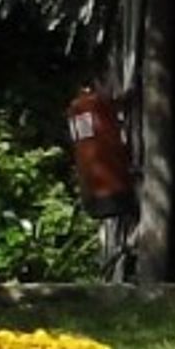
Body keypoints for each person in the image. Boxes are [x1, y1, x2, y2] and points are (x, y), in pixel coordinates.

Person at [63, 75, 140, 287]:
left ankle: (116, 266)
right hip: (112, 184)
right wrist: (134, 87)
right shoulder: (94, 103)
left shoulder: (74, 111)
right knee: (137, 217)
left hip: (92, 188)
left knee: (123, 224)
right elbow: (119, 100)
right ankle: (131, 262)